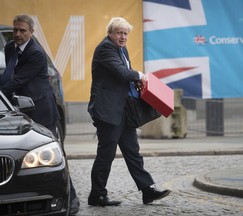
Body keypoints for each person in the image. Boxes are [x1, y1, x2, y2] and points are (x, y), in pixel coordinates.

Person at [0, 14, 80, 215]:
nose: (17, 34)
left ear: (31, 32)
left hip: (42, 110)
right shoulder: (10, 48)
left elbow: (17, 81)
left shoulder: (36, 53)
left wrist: (1, 93)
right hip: (20, 109)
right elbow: (7, 75)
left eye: (22, 31)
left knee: (55, 155)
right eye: (16, 30)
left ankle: (72, 199)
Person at [87, 17, 170, 206]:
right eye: (119, 33)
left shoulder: (120, 48)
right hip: (108, 112)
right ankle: (97, 195)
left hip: (122, 111)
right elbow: (122, 73)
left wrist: (137, 78)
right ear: (110, 33)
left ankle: (147, 190)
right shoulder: (105, 48)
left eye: (125, 33)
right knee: (106, 155)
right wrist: (141, 75)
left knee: (133, 151)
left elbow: (126, 71)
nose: (123, 37)